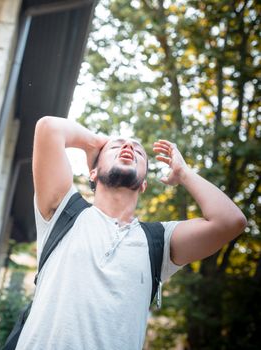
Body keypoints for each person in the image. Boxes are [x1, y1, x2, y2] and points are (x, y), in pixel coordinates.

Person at [16, 116, 247, 349]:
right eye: (117, 146)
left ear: (144, 185)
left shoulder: (160, 242)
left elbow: (231, 221)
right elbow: (49, 128)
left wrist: (184, 173)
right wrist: (93, 143)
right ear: (93, 173)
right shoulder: (64, 212)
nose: (128, 147)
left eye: (138, 152)